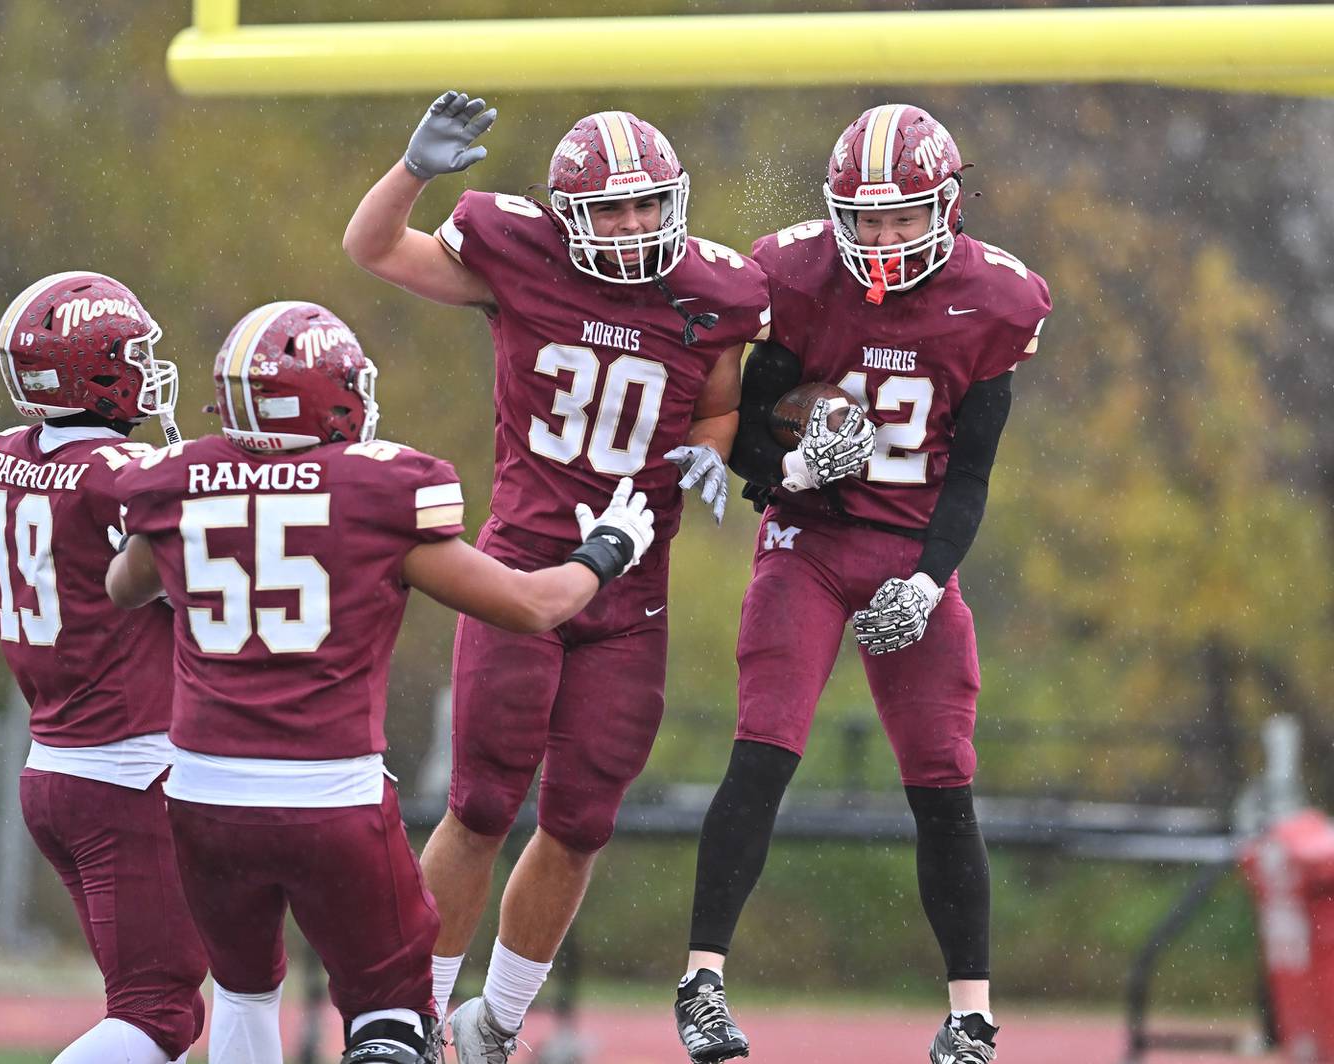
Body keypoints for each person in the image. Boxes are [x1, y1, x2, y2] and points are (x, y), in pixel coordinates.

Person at [105, 300, 655, 1064]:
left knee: (239, 991)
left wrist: (188, 553)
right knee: (391, 1011)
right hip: (329, 795)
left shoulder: (175, 482)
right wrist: (606, 549)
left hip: (204, 796)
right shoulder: (378, 490)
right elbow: (531, 606)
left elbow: (122, 587)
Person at [343, 93, 772, 1060]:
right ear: (568, 216)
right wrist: (411, 171)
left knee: (582, 819)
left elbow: (713, 406)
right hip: (522, 567)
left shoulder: (716, 293)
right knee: (484, 803)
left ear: (676, 202)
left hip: (634, 594)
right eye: (608, 210)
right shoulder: (519, 254)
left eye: (645, 206)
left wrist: (714, 446)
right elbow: (374, 249)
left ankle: (493, 1024)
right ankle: (409, 1021)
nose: (629, 227)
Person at [672, 104, 1053, 1064]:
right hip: (807, 538)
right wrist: (788, 471)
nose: (881, 239)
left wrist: (929, 583)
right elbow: (756, 424)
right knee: (763, 749)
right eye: (866, 220)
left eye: (899, 219)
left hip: (914, 551)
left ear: (947, 207)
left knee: (943, 782)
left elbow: (969, 474)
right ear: (837, 214)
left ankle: (970, 1012)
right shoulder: (798, 275)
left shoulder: (999, 301)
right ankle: (702, 984)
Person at [0, 271, 206, 1064]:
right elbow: (203, 596)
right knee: (160, 1014)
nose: (148, 370)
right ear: (95, 372)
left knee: (147, 1002)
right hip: (127, 767)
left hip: (55, 769)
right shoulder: (121, 478)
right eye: (133, 355)